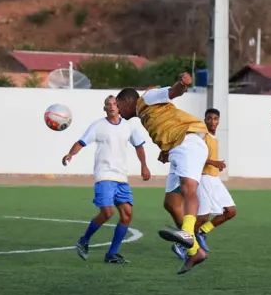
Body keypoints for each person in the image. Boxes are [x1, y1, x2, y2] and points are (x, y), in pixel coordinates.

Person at [115, 72, 210, 274]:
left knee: (188, 188)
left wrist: (182, 84)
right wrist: (165, 151)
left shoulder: (147, 97)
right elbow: (165, 124)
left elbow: (172, 93)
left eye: (118, 105)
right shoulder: (143, 114)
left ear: (127, 100)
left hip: (188, 141)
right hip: (176, 149)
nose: (118, 112)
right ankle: (195, 251)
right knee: (171, 203)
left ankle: (187, 233)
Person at [64, 95, 151, 264]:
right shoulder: (98, 126)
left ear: (119, 107)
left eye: (114, 104)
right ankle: (84, 239)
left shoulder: (128, 127)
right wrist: (70, 154)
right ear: (104, 108)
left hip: (121, 178)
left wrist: (144, 166)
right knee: (108, 212)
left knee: (127, 215)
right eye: (108, 104)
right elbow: (81, 142)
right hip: (104, 175)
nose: (111, 107)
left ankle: (112, 254)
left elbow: (139, 145)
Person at [171, 108, 237, 259]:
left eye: (215, 119)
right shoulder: (202, 137)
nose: (212, 122)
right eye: (209, 118)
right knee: (201, 217)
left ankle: (201, 232)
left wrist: (216, 165)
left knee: (231, 211)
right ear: (204, 120)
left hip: (215, 179)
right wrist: (214, 162)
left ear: (219, 121)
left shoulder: (214, 138)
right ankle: (180, 244)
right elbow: (195, 155)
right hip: (204, 178)